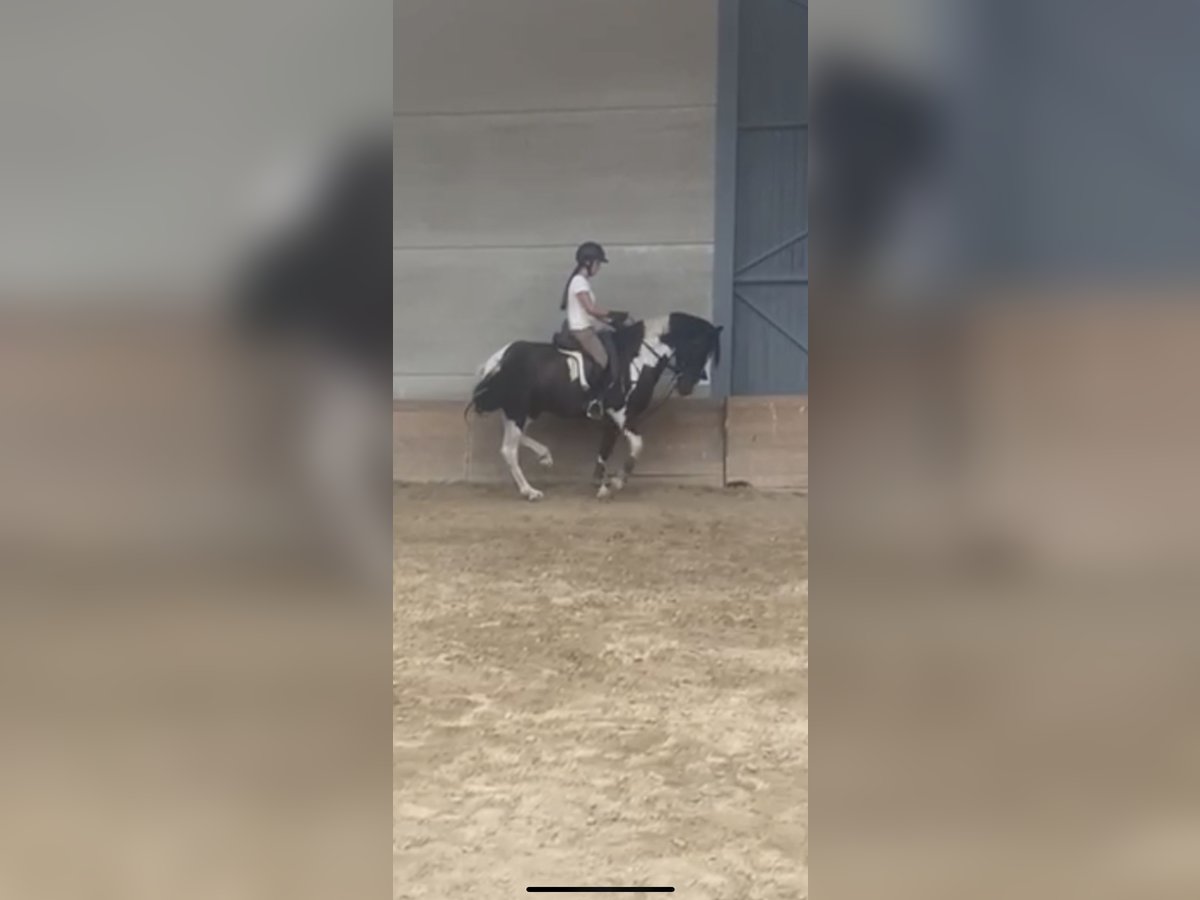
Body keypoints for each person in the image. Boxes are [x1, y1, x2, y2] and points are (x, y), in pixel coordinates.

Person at [561, 241, 623, 419]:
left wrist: (612, 321)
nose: (599, 268)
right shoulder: (579, 281)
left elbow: (592, 313)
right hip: (581, 330)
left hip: (589, 326)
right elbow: (590, 309)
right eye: (598, 263)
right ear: (588, 263)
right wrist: (613, 313)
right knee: (602, 359)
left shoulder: (581, 281)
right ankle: (593, 399)